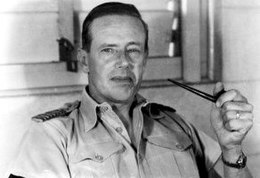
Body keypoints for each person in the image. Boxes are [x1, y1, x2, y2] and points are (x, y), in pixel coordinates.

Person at [8, 2, 254, 178]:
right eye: (108, 50)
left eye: (133, 50)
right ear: (84, 61)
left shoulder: (178, 125)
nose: (124, 61)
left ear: (145, 58)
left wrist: (231, 148)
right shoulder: (52, 136)